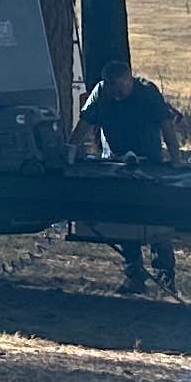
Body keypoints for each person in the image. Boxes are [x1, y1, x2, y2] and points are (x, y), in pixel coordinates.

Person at [74, 69, 182, 293]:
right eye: (112, 88)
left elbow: (167, 126)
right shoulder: (101, 93)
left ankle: (166, 279)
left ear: (129, 80)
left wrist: (176, 159)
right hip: (115, 164)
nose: (116, 93)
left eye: (120, 88)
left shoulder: (147, 92)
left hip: (150, 164)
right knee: (125, 222)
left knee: (155, 223)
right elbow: (83, 125)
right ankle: (134, 276)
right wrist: (69, 153)